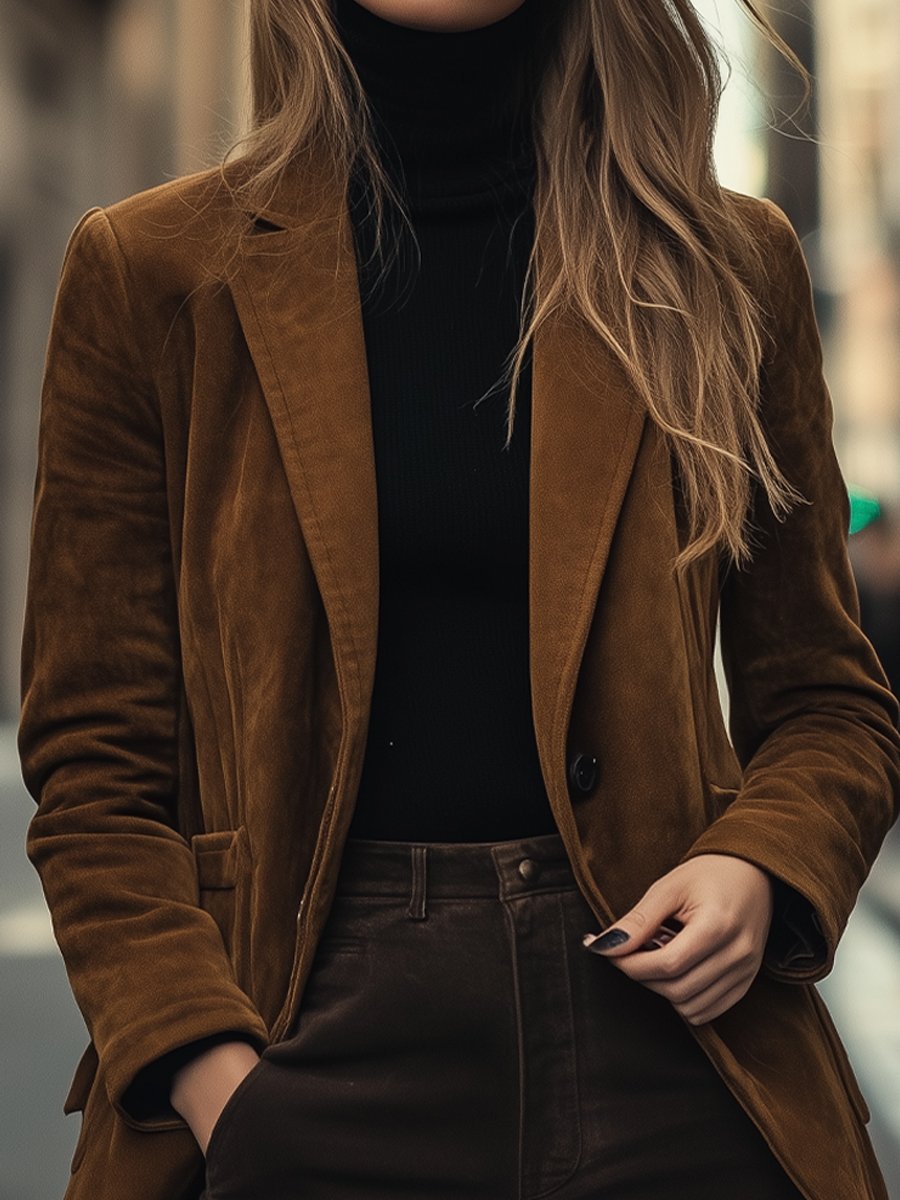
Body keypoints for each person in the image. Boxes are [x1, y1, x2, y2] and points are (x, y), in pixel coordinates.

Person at [18, 0, 900, 1198]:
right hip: (297, 1047)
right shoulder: (152, 275)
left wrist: (763, 862)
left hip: (674, 1052)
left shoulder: (726, 267)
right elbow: (92, 758)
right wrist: (206, 1068)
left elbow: (831, 701)